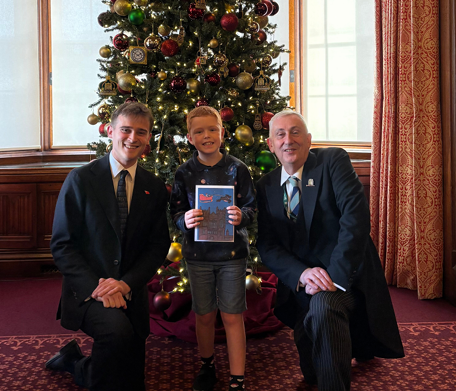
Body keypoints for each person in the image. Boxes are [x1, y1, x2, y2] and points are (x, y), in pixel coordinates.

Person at [256, 109, 404, 391]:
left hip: (345, 275)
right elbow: (267, 244)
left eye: (296, 132)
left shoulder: (333, 161)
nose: (289, 140)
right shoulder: (265, 186)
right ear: (271, 144)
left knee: (324, 306)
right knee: (312, 372)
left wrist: (331, 279)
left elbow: (355, 221)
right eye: (280, 134)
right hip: (303, 284)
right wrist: (303, 274)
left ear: (309, 139)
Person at [46, 102, 170, 391]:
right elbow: (62, 245)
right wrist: (98, 288)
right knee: (116, 334)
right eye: (126, 129)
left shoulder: (153, 187)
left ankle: (74, 362)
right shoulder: (80, 179)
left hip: (129, 290)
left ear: (149, 138)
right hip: (88, 289)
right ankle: (78, 363)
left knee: (130, 379)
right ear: (110, 132)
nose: (133, 138)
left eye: (141, 132)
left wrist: (124, 285)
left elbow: (157, 246)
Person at [170, 106, 256, 391]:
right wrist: (185, 220)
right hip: (198, 256)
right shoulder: (184, 172)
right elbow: (175, 212)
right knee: (204, 315)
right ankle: (207, 365)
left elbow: (252, 207)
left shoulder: (237, 169)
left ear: (223, 132)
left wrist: (242, 216)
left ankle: (237, 378)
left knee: (232, 315)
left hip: (232, 256)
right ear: (189, 138)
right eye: (199, 131)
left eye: (212, 129)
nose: (206, 135)